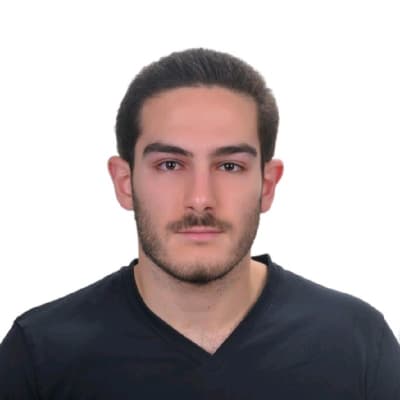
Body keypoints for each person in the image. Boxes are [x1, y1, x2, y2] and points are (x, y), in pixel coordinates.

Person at [0, 48, 399, 399]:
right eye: (170, 165)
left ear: (267, 185)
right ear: (124, 182)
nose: (200, 198)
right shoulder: (39, 355)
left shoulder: (357, 342)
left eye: (230, 166)